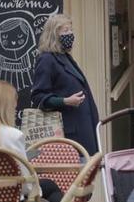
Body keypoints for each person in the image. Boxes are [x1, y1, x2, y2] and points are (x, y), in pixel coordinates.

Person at [30, 13, 100, 155]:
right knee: (75, 175)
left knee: (87, 172)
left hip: (84, 128)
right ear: (54, 34)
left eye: (71, 30)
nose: (70, 34)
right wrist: (65, 101)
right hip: (68, 134)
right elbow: (38, 96)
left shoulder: (65, 57)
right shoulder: (47, 59)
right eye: (65, 31)